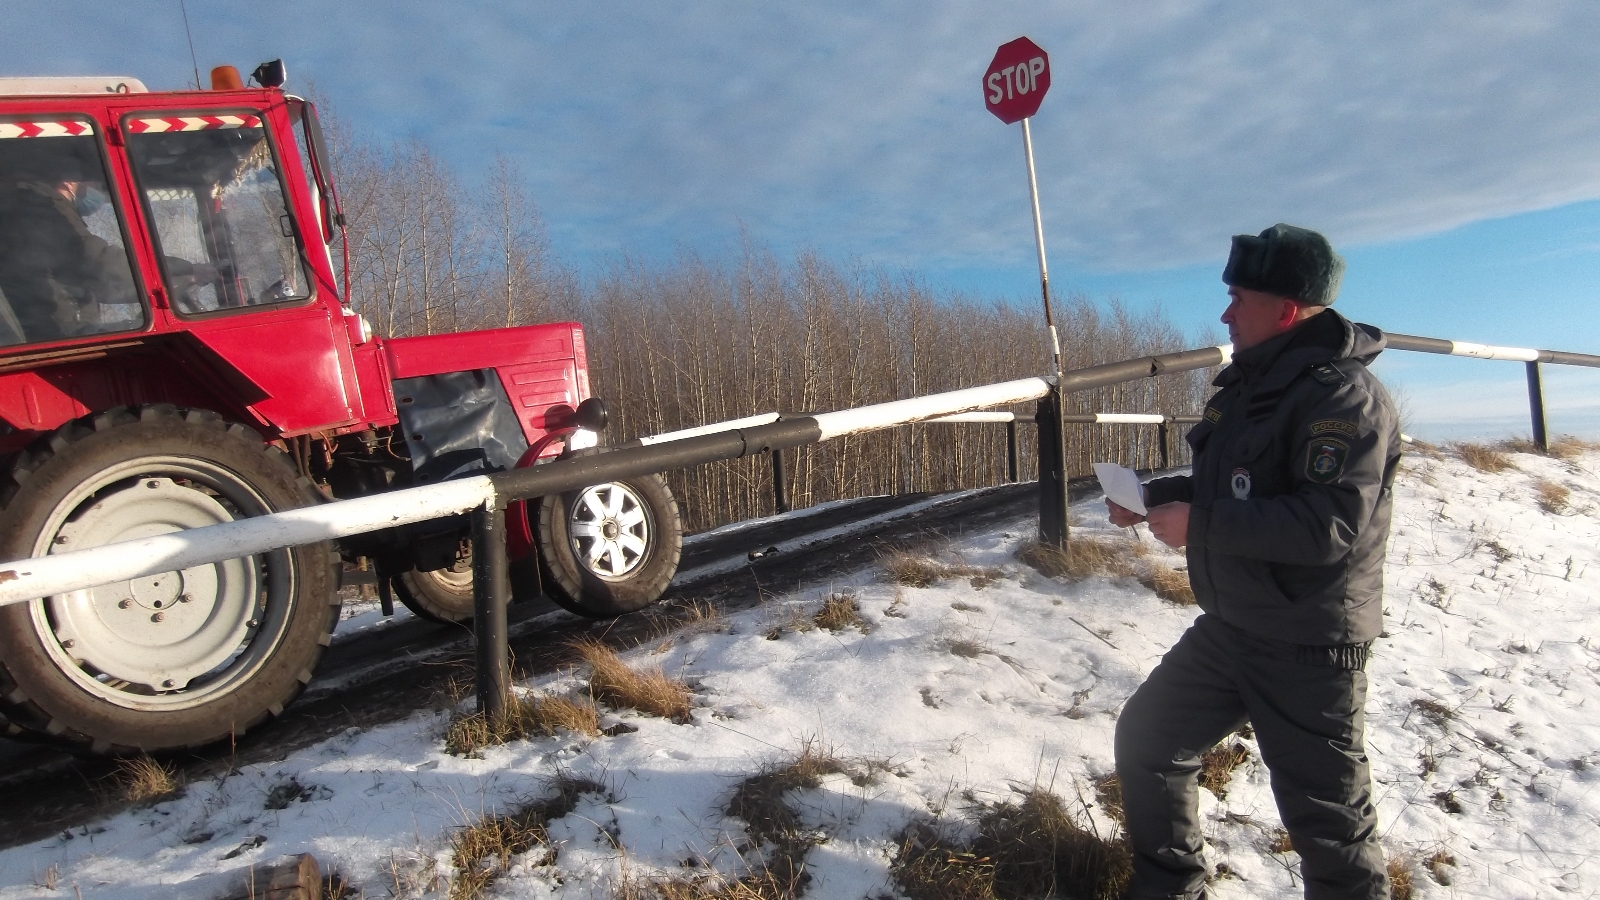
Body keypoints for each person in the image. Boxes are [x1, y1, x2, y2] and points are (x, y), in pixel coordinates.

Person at [1108, 224, 1401, 900]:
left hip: (1309, 642)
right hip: (1233, 625)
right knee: (1150, 742)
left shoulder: (1342, 397)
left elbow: (1328, 524)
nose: (1226, 314)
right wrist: (1153, 497)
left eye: (1238, 298)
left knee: (1328, 824)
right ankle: (1168, 889)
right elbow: (1232, 485)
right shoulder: (1249, 385)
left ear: (1287, 309)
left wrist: (1201, 526)